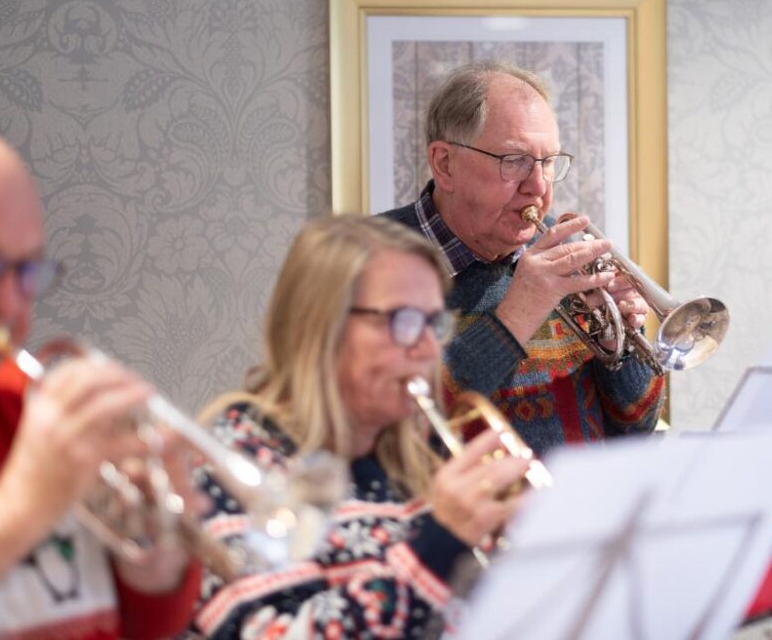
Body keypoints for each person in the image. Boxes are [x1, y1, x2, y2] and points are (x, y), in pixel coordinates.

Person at [191, 215, 529, 639]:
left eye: (434, 323)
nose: (428, 348)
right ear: (320, 328)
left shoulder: (416, 468)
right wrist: (438, 543)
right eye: (404, 321)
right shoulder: (231, 469)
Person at [0, 124, 201, 638]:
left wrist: (153, 555)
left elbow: (143, 627)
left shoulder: (31, 403)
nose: (8, 305)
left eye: (25, 271)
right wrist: (25, 503)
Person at [382, 61, 666, 456]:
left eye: (547, 162)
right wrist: (516, 317)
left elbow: (639, 424)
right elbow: (384, 428)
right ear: (445, 164)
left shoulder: (565, 250)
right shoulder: (363, 263)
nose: (538, 187)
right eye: (513, 161)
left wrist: (618, 344)